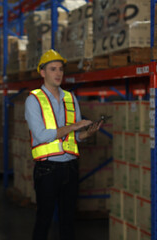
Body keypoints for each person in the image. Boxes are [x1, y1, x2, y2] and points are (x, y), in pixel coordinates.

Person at [24, 49, 102, 240]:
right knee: (44, 219)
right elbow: (42, 136)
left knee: (68, 221)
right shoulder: (33, 100)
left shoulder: (70, 98)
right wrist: (74, 126)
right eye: (53, 69)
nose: (58, 73)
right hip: (47, 169)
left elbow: (74, 138)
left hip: (71, 168)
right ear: (42, 73)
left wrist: (86, 133)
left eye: (60, 69)